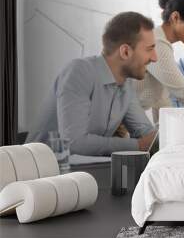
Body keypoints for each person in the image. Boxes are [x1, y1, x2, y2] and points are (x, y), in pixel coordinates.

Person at [26, 12, 158, 156]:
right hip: (42, 172)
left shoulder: (125, 85)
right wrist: (138, 145)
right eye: (149, 49)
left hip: (82, 170)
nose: (155, 57)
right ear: (125, 52)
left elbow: (148, 135)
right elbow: (74, 143)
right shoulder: (79, 72)